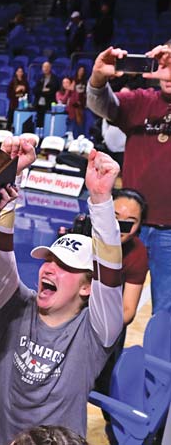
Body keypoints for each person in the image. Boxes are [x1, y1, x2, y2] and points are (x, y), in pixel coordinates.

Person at [0, 138, 124, 445]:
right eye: (49, 259)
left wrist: (101, 200)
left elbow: (108, 275)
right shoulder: (16, 306)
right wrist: (7, 175)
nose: (49, 269)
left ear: (86, 287)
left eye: (65, 265)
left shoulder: (96, 333)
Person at [87, 44, 171, 313]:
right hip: (127, 225)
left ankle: (161, 355)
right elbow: (102, 104)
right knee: (109, 302)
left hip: (169, 231)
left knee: (166, 311)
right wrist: (98, 79)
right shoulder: (142, 100)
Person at [94, 188, 149, 440]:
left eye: (131, 221)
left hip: (109, 324)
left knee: (107, 382)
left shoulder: (137, 254)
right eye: (114, 215)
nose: (121, 224)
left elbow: (127, 311)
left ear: (140, 226)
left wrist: (97, 325)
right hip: (72, 317)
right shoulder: (84, 233)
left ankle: (115, 424)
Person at [34, 61, 61, 127]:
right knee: (39, 122)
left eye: (47, 67)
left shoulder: (55, 79)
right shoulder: (39, 77)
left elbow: (53, 91)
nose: (45, 69)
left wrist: (42, 91)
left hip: (49, 104)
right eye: (44, 67)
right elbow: (35, 90)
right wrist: (44, 91)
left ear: (50, 68)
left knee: (47, 123)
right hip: (39, 104)